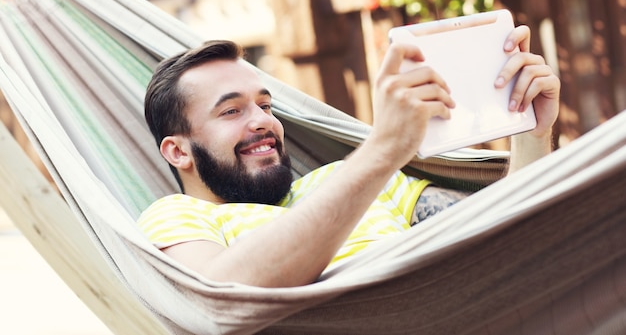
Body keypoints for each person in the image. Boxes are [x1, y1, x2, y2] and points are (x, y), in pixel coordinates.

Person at [138, 26, 560, 288]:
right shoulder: (177, 217)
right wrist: (383, 149)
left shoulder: (354, 179)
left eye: (266, 106)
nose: (262, 122)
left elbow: (508, 234)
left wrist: (533, 134)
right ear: (178, 151)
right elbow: (222, 296)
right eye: (232, 111)